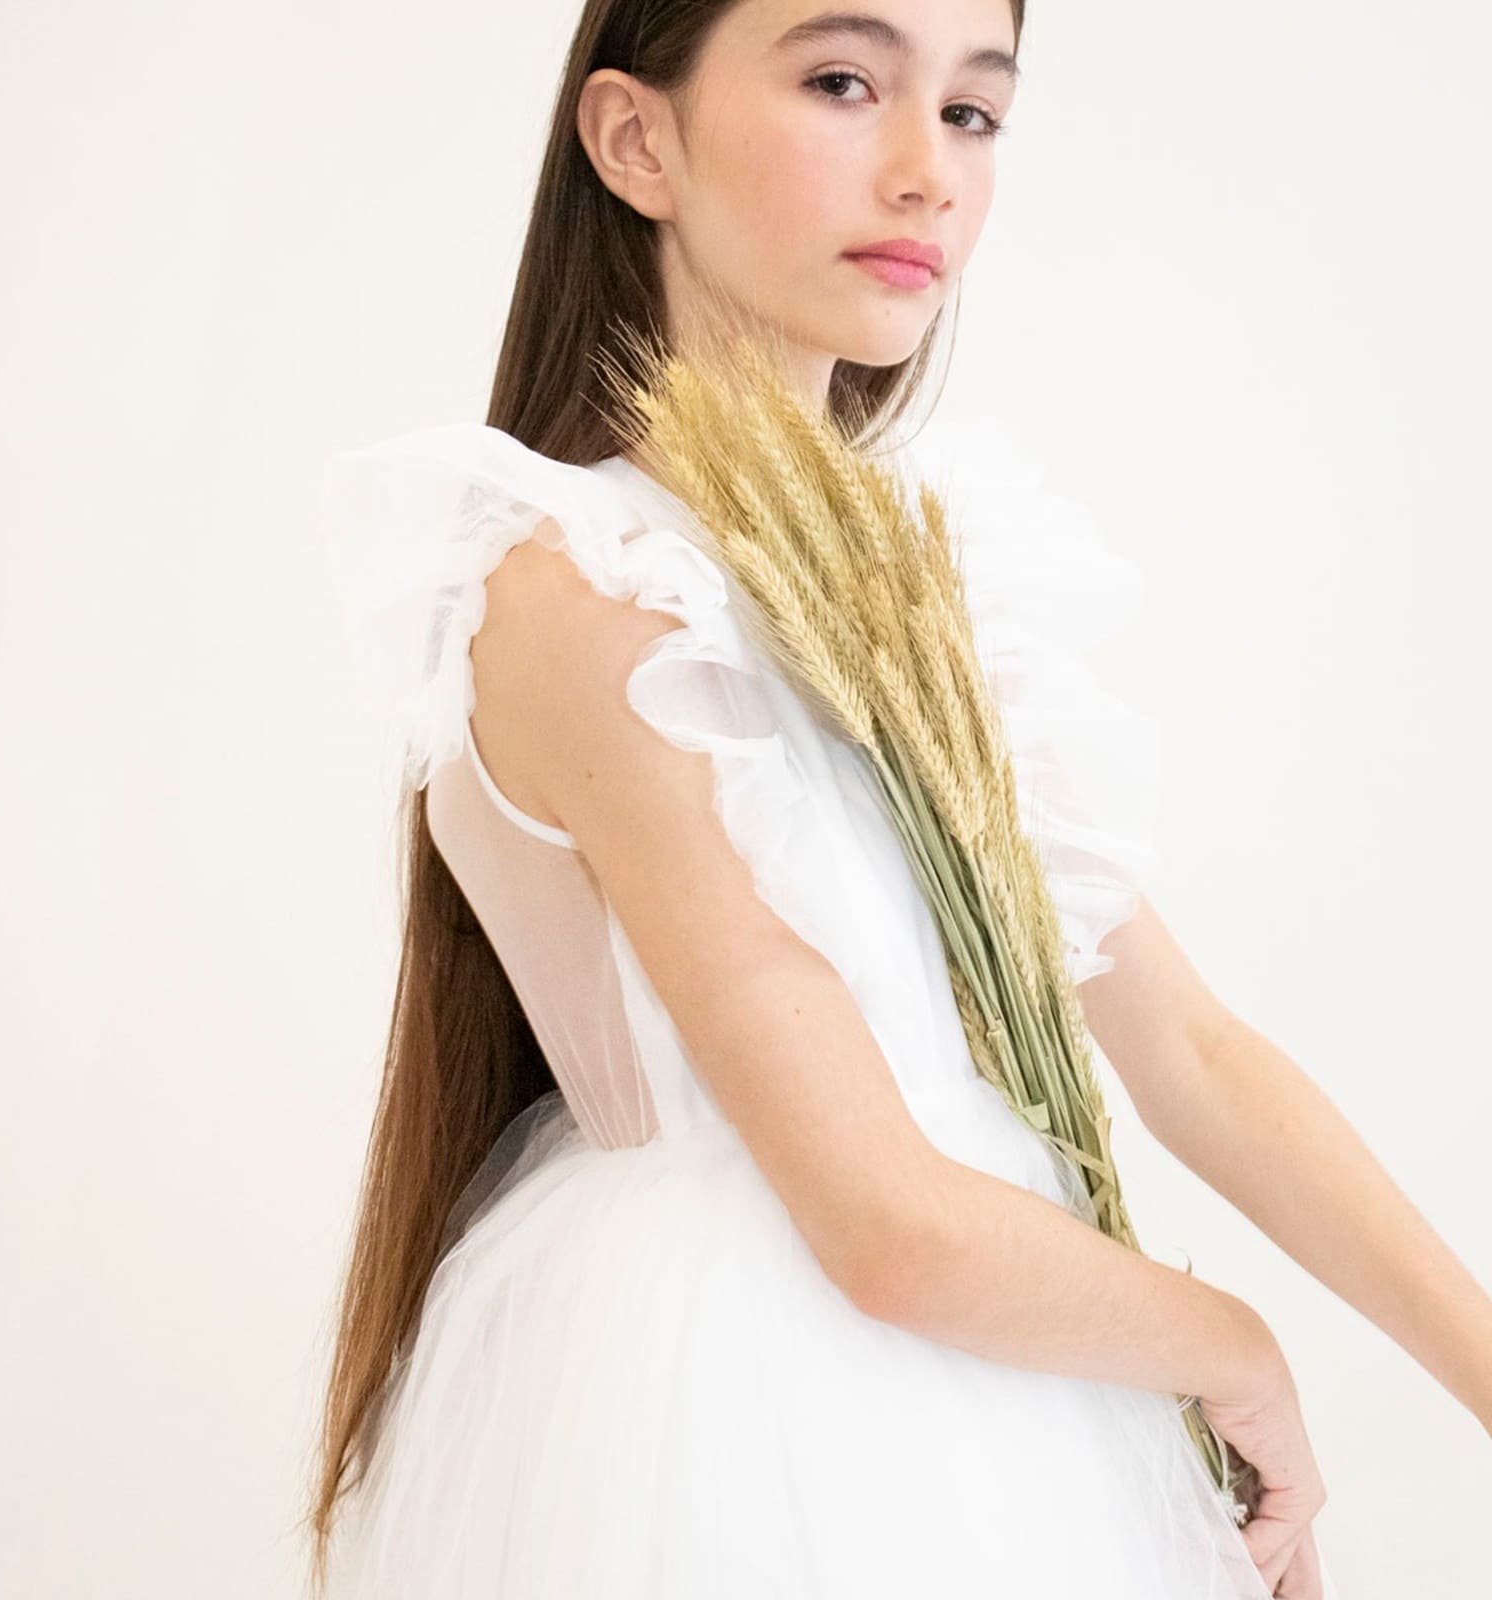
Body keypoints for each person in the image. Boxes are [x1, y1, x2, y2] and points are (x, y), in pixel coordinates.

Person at [306, 2, 1492, 1594]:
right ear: (636, 140)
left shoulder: (925, 581)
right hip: (756, 1415)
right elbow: (882, 1224)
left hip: (1020, 1365)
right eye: (844, 82)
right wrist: (1232, 1349)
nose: (928, 169)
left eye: (974, 112)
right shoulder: (589, 590)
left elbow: (1192, 1052)